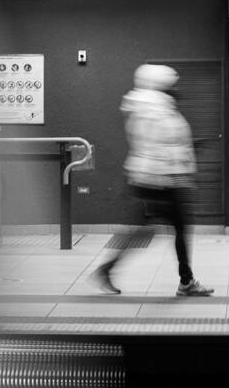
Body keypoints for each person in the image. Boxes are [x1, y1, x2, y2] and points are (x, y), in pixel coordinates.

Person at [91, 63, 214, 297]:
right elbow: (163, 147)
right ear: (161, 85)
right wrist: (180, 173)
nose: (175, 89)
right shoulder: (156, 109)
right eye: (171, 85)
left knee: (149, 229)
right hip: (161, 181)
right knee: (176, 227)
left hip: (148, 179)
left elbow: (159, 144)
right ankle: (186, 281)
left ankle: (108, 269)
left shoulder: (146, 106)